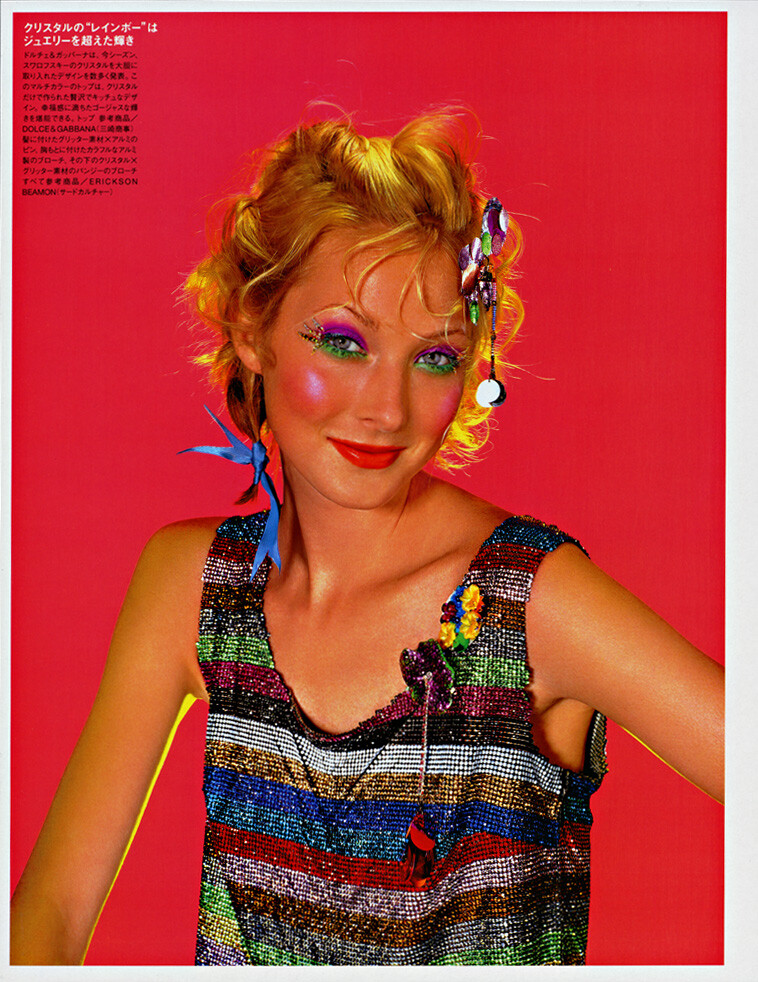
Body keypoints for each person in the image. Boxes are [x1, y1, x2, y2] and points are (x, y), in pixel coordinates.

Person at [10, 112, 724, 967]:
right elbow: (51, 913)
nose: (387, 409)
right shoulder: (194, 586)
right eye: (343, 342)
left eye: (434, 358)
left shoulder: (529, 600)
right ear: (251, 328)